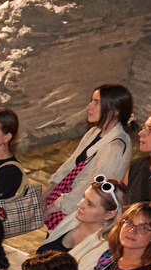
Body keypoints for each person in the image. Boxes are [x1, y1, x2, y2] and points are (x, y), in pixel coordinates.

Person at [40, 85, 136, 242]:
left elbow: (92, 186)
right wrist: (48, 194)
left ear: (115, 110)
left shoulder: (114, 146)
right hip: (68, 202)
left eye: (96, 102)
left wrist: (52, 208)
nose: (89, 106)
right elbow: (70, 165)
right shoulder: (94, 132)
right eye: (91, 101)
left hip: (81, 211)